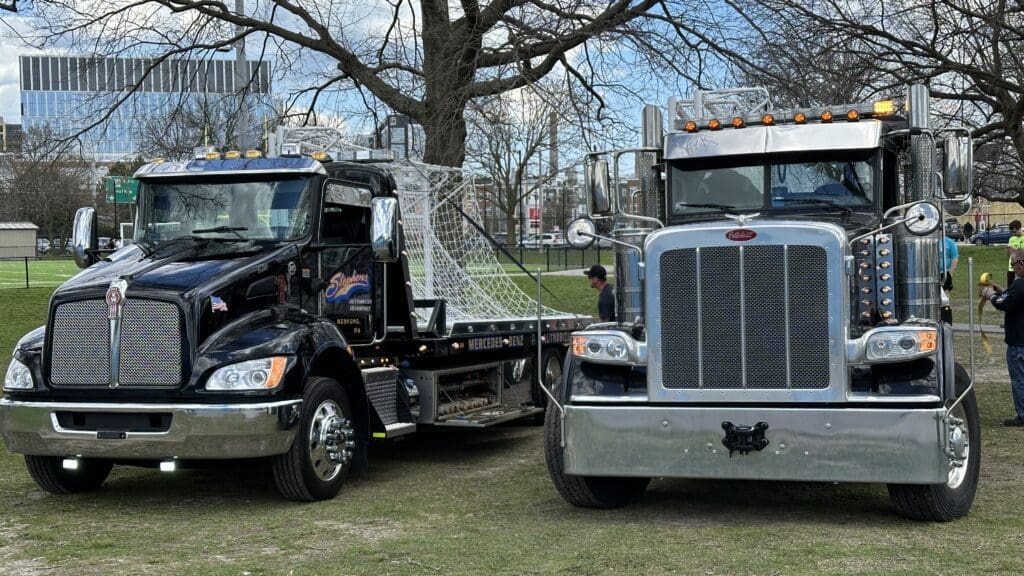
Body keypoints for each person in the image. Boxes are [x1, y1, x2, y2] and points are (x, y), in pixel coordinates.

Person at [981, 248, 1024, 426]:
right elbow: (1013, 298)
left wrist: (990, 294)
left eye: (1013, 264)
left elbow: (1003, 303)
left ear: (1021, 264)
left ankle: (1022, 415)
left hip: (1018, 341)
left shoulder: (1020, 284)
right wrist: (1002, 291)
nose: (1013, 268)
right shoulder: (1018, 286)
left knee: (1019, 378)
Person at [1009, 220, 1024, 288]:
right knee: (1010, 291)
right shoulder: (1011, 239)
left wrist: (1015, 250)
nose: (1013, 234)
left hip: (1021, 269)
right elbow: (1010, 252)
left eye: (1014, 232)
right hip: (1011, 269)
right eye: (1012, 232)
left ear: (1020, 228)